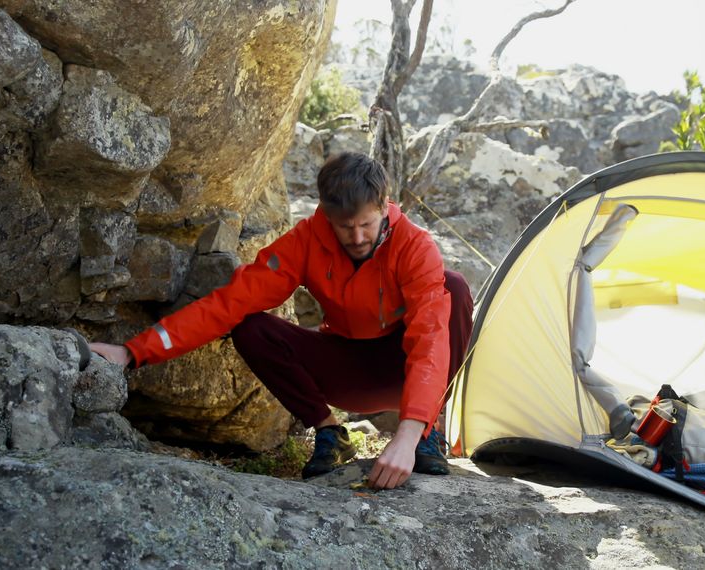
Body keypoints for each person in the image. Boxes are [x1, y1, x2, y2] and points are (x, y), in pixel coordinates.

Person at [90, 152, 473, 490]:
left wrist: (409, 429)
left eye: (367, 224)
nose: (356, 237)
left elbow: (431, 339)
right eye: (344, 227)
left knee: (452, 288)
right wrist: (131, 352)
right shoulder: (307, 239)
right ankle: (329, 432)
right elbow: (229, 303)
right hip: (347, 371)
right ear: (325, 212)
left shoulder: (414, 245)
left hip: (403, 370)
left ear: (385, 205)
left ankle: (428, 433)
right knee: (250, 326)